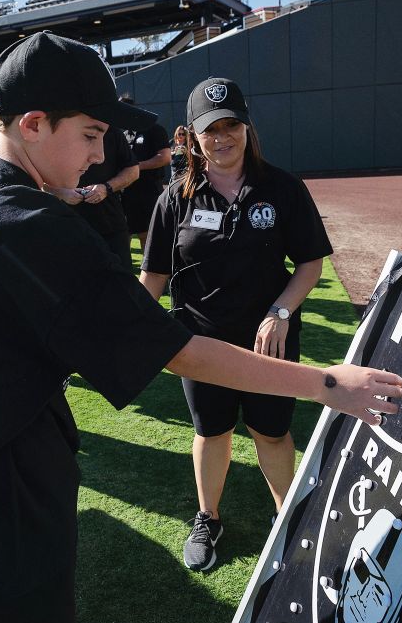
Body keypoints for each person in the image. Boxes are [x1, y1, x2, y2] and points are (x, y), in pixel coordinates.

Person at [0, 32, 402, 623]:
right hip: (8, 461)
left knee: (17, 621)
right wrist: (329, 383)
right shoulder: (23, 221)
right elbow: (172, 347)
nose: (102, 155)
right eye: (92, 135)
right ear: (34, 123)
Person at [140, 77, 335, 572]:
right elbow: (154, 275)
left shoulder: (283, 188)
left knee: (271, 433)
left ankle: (285, 515)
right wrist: (129, 328)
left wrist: (280, 312)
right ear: (192, 136)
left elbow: (310, 264)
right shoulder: (175, 198)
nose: (221, 137)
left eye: (231, 126)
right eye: (211, 129)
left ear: (247, 127)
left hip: (267, 342)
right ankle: (208, 517)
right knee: (213, 431)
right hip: (200, 344)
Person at [43, 125, 138, 267]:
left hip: (109, 224)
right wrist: (61, 193)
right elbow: (34, 175)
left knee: (120, 282)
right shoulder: (54, 130)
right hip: (66, 226)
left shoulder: (112, 131)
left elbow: (133, 170)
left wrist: (106, 188)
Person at [118, 96, 173, 252]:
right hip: (123, 193)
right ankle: (123, 274)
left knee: (147, 238)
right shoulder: (119, 133)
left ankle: (153, 274)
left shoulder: (153, 129)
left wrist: (135, 167)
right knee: (122, 236)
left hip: (147, 193)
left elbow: (165, 157)